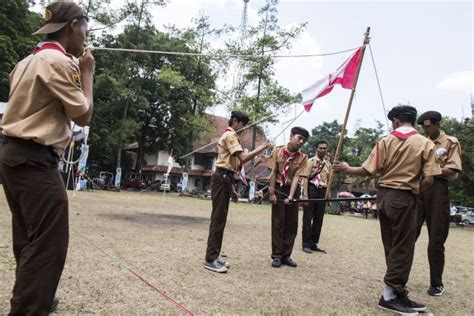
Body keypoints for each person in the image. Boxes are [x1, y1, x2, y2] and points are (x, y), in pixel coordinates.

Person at [0, 1, 94, 314]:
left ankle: (35, 293)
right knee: (48, 243)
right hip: (34, 159)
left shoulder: (28, 61)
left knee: (28, 237)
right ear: (73, 25)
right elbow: (82, 116)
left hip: (12, 156)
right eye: (85, 27)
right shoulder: (60, 62)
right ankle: (27, 307)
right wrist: (87, 73)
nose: (86, 35)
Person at [332, 105, 441, 315]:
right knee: (403, 246)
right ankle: (389, 296)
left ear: (397, 120)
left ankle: (397, 291)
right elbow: (429, 178)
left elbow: (366, 170)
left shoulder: (385, 140)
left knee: (392, 245)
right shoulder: (425, 143)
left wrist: (346, 168)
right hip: (405, 196)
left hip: (384, 197)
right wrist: (414, 189)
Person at [204, 111, 272, 273]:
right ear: (235, 121)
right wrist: (262, 147)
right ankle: (210, 259)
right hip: (221, 177)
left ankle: (214, 256)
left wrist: (232, 189)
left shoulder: (233, 137)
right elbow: (242, 158)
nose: (244, 129)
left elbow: (233, 165)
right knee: (218, 219)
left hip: (226, 178)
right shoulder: (230, 136)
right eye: (243, 125)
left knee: (221, 220)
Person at [415, 111, 462, 296]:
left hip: (438, 189)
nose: (425, 130)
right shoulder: (421, 142)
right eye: (423, 127)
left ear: (437, 124)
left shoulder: (451, 142)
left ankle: (436, 283)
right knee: (409, 234)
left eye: (427, 126)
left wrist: (433, 170)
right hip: (419, 188)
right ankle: (399, 278)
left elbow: (454, 167)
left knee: (436, 239)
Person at [269, 127, 309, 268]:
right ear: (291, 136)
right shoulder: (277, 151)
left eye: (303, 140)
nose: (301, 142)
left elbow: (297, 177)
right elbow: (273, 172)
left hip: (293, 189)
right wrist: (272, 193)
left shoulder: (303, 157)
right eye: (299, 138)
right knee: (278, 222)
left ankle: (287, 255)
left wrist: (291, 197)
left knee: (292, 224)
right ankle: (277, 255)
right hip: (279, 187)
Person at [301, 140, 330, 254]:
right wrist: (305, 195)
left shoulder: (328, 164)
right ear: (316, 149)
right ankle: (306, 243)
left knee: (319, 219)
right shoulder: (310, 162)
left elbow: (328, 180)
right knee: (308, 218)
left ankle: (313, 243)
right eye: (320, 148)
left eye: (324, 148)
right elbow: (305, 179)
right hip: (312, 189)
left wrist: (328, 196)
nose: (322, 150)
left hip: (322, 191)